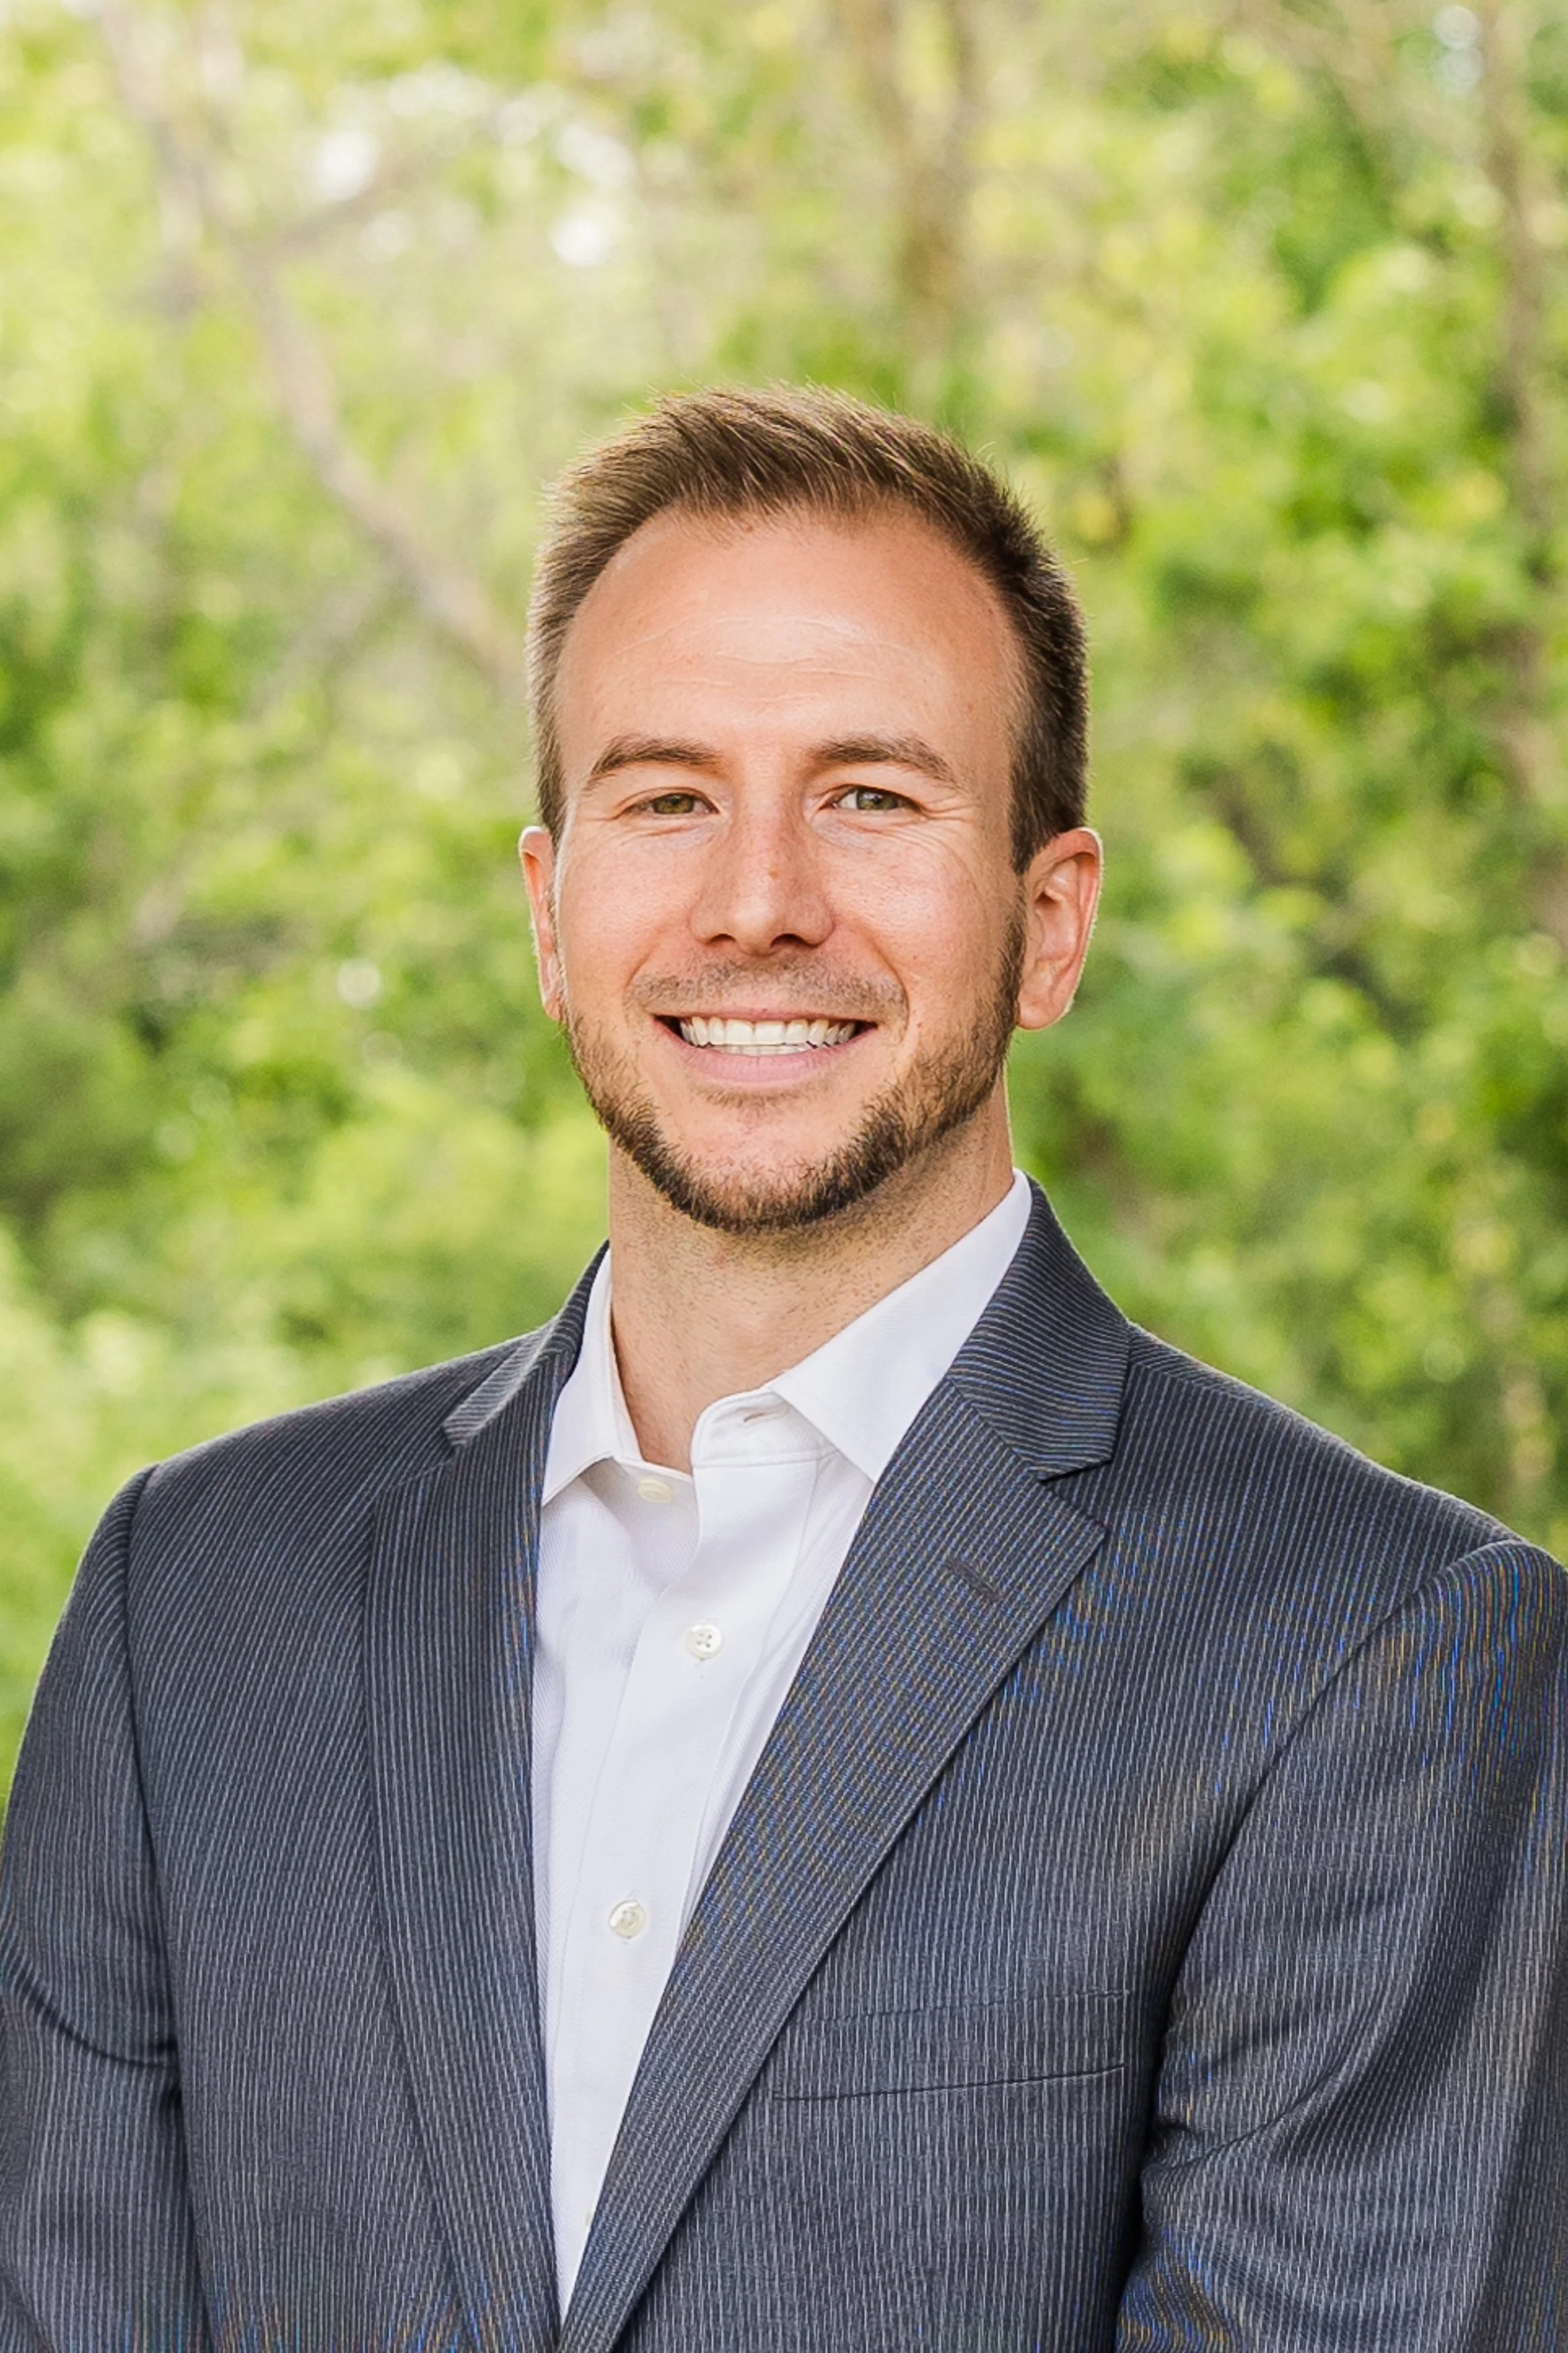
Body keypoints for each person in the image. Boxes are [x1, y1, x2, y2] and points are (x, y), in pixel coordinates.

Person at [1, 387, 1563, 2353]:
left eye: (869, 796)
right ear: (550, 911)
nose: (757, 900)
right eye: (665, 796)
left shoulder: (1379, 1656)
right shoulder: (188, 1606)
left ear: (1048, 920)